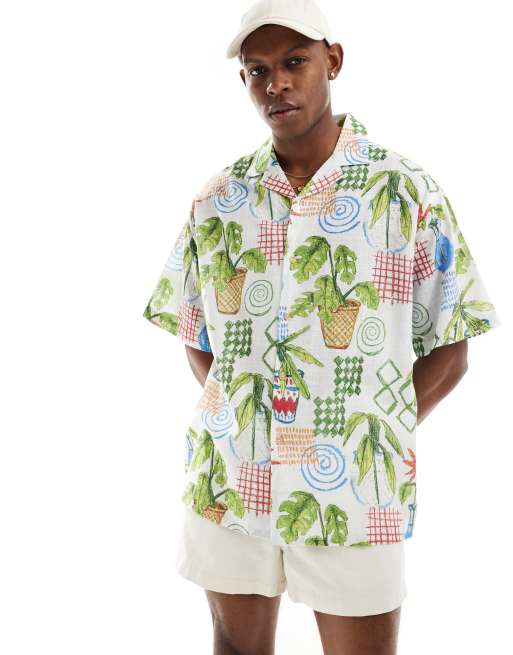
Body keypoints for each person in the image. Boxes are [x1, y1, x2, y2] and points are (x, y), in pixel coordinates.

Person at [142, 1, 502, 653]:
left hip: (355, 491)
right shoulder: (218, 199)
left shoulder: (403, 191)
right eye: (257, 70)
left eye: (294, 62)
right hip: (229, 482)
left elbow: (452, 345)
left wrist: (372, 431)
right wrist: (244, 420)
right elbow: (196, 335)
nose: (275, 83)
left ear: (332, 61)